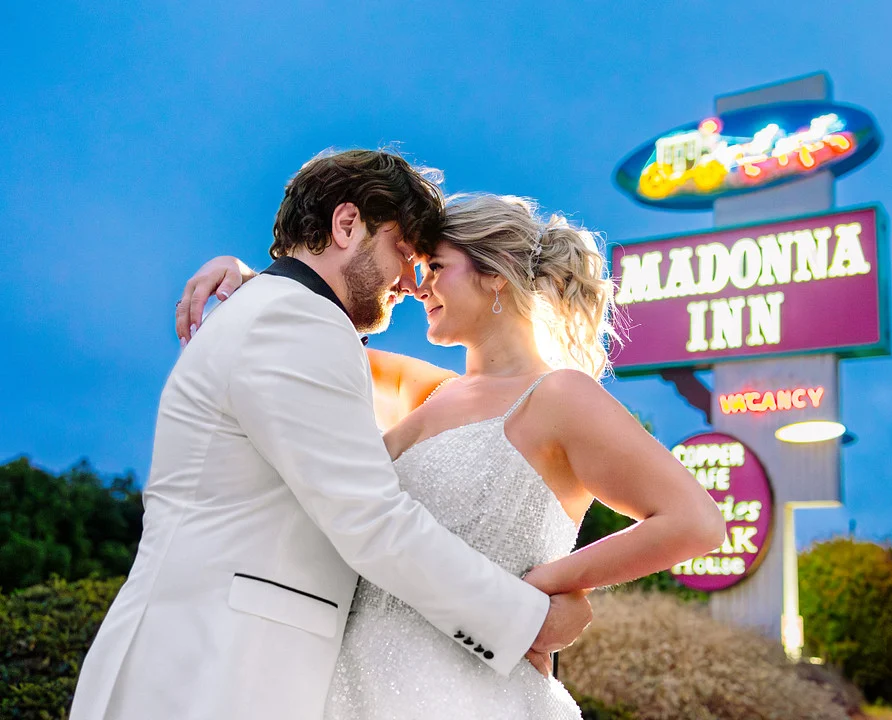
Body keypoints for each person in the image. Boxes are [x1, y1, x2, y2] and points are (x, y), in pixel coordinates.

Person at [69, 150, 594, 720]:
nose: (410, 282)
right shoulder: (293, 322)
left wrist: (254, 277)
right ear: (347, 224)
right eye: (404, 252)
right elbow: (372, 519)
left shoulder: (281, 315)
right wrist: (526, 621)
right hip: (209, 674)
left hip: (216, 666)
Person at [180, 192, 727, 718]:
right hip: (342, 686)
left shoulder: (560, 395)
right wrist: (258, 282)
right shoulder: (429, 393)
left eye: (437, 267)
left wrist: (547, 589)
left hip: (466, 693)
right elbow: (310, 347)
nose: (419, 288)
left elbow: (695, 522)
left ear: (495, 274)